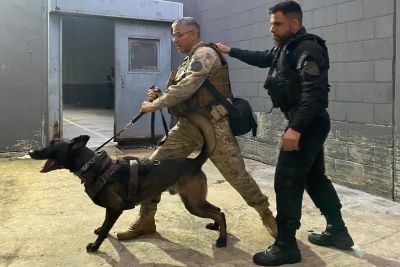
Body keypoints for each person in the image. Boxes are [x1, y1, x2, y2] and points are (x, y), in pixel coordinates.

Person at [216, 1, 353, 266]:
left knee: (287, 182)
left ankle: (286, 245)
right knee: (314, 179)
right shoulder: (286, 47)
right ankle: (339, 232)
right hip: (306, 124)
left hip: (308, 124)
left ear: (295, 23)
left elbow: (315, 94)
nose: (272, 29)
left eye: (277, 24)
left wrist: (295, 129)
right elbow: (261, 58)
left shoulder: (308, 49)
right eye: (271, 24)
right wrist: (229, 50)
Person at [117, 17, 278, 242]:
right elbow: (181, 92)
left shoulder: (205, 54)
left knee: (236, 175)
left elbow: (188, 86)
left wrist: (156, 104)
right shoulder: (187, 61)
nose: (175, 40)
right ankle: (146, 220)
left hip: (214, 126)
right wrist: (161, 95)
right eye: (173, 35)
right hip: (186, 127)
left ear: (194, 34)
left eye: (179, 34)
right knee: (152, 169)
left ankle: (266, 214)